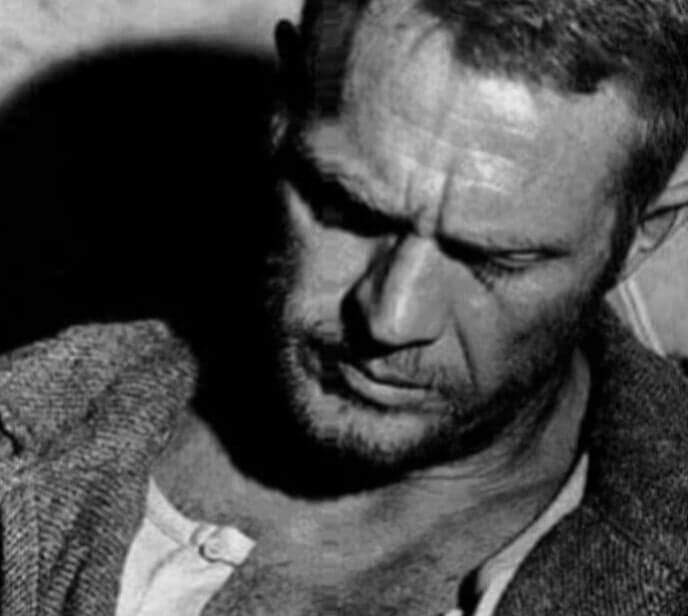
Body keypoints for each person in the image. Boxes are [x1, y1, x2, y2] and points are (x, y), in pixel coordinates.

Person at [2, 0, 688, 614]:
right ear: (284, 110)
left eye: (495, 260)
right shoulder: (33, 418)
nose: (391, 319)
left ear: (643, 232)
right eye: (350, 210)